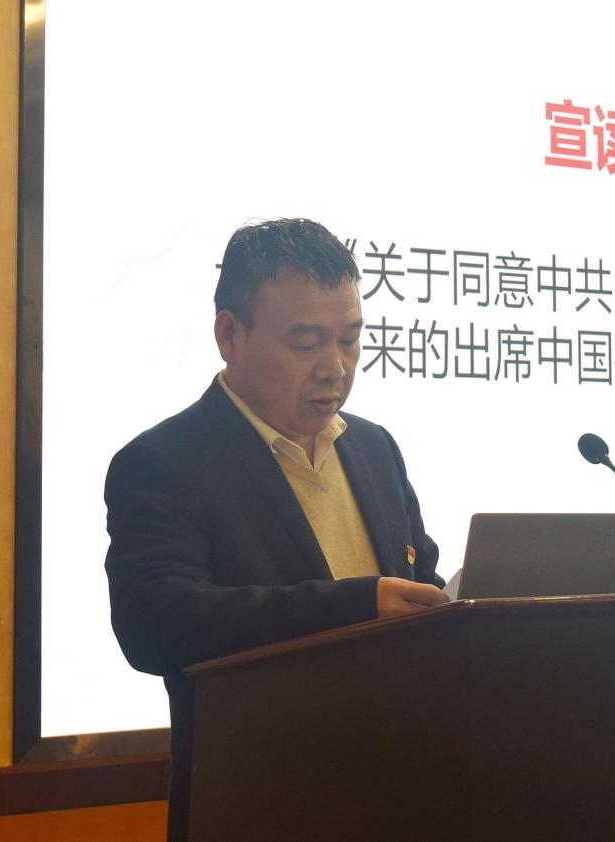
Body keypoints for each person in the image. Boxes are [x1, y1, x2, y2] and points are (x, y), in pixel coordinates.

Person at [104, 218, 448, 841]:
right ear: (229, 335)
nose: (335, 368)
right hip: (259, 807)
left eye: (350, 340)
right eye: (306, 342)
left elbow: (419, 581)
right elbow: (155, 623)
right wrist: (357, 607)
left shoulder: (374, 448)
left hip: (399, 793)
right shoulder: (164, 463)